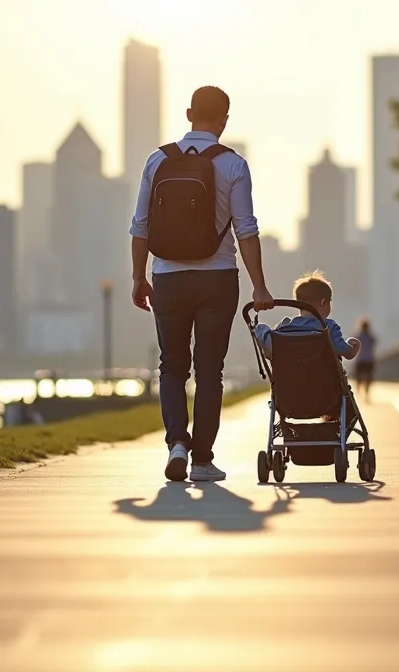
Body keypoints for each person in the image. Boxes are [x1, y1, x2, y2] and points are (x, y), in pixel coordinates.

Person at [129, 85, 274, 483]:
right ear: (224, 120)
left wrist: (139, 277)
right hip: (218, 279)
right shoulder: (233, 165)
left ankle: (177, 442)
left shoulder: (157, 160)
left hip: (168, 278)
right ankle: (202, 460)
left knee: (172, 367)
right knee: (210, 370)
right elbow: (246, 230)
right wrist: (260, 286)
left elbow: (140, 226)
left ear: (189, 112)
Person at [253, 270, 361, 362]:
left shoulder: (286, 326)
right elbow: (342, 350)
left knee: (267, 332)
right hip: (323, 380)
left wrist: (260, 330)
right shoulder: (328, 326)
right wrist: (353, 347)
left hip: (291, 378)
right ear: (324, 303)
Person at [350, 317, 377, 401]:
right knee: (369, 377)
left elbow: (351, 343)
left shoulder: (358, 336)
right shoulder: (370, 336)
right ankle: (366, 392)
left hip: (360, 359)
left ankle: (358, 390)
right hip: (369, 359)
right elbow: (374, 342)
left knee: (358, 376)